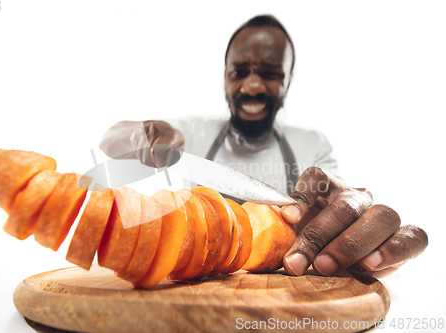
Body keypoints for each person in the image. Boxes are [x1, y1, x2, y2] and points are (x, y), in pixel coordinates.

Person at [100, 15, 428, 278]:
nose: (253, 86)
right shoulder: (189, 133)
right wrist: (139, 136)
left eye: (270, 74)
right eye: (239, 72)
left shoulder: (312, 144)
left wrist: (353, 228)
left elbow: (339, 213)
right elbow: (109, 142)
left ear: (288, 79)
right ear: (225, 77)